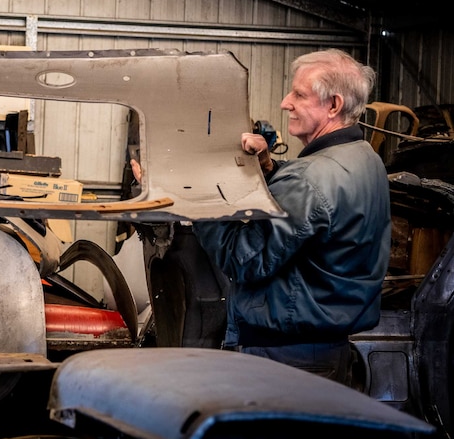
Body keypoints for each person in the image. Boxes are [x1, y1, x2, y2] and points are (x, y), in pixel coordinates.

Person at [132, 48, 390, 385]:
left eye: (299, 94)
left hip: (285, 360)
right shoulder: (364, 158)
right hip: (324, 350)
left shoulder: (310, 180)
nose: (285, 102)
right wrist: (269, 170)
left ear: (333, 105)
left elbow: (244, 258)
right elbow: (313, 214)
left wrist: (193, 198)